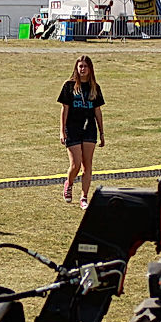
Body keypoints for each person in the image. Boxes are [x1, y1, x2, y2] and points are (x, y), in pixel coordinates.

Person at [57, 55, 105, 210]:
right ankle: (69, 183)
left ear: (90, 68)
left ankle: (84, 196)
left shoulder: (95, 88)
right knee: (75, 164)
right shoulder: (69, 86)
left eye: (85, 66)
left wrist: (102, 132)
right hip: (73, 128)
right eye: (80, 66)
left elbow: (97, 111)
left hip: (89, 128)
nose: (82, 69)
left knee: (87, 166)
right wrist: (62, 131)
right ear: (76, 68)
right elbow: (64, 109)